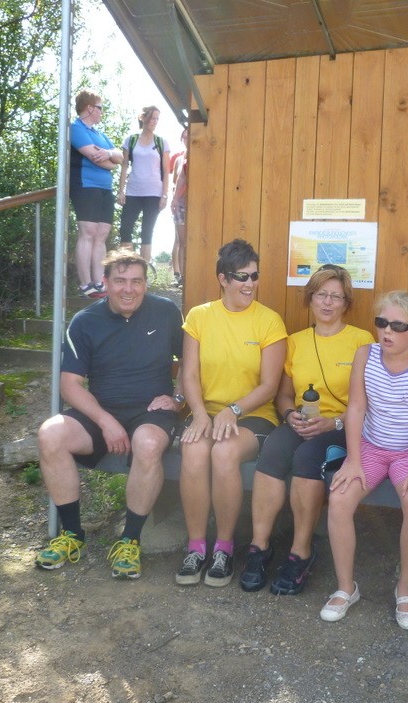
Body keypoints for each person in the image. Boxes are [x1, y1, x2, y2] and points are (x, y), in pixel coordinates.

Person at [34, 247, 185, 578]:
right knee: (50, 434)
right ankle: (71, 534)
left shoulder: (165, 312)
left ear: (146, 283)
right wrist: (105, 421)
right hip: (101, 411)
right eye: (120, 281)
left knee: (148, 445)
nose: (128, 289)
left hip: (151, 412)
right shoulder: (85, 321)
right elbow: (70, 385)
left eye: (136, 281)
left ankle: (130, 541)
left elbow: (191, 360)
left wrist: (178, 398)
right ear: (105, 282)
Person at [240, 265, 373, 595]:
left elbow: (369, 399)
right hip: (302, 421)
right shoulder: (296, 341)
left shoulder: (362, 341)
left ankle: (300, 552)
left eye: (336, 296)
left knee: (308, 456)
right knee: (273, 450)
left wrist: (334, 421)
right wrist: (289, 415)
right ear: (310, 299)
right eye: (321, 295)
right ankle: (259, 547)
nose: (327, 302)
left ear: (346, 303)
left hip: (343, 427)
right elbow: (285, 394)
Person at [320, 291, 408, 630]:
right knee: (339, 499)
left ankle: (405, 590)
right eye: (381, 323)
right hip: (371, 447)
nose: (387, 331)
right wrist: (353, 459)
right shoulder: (366, 354)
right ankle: (346, 588)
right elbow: (356, 409)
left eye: (397, 326)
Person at [176, 239, 287, 587]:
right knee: (194, 452)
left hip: (254, 414)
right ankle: (196, 547)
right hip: (206, 411)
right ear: (223, 279)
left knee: (224, 453)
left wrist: (234, 410)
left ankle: (224, 547)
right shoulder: (199, 316)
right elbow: (189, 374)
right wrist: (199, 413)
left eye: (254, 276)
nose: (250, 284)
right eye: (242, 277)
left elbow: (269, 385)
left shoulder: (269, 321)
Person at [69, 89, 123, 299]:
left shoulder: (100, 135)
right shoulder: (75, 128)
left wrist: (108, 154)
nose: (102, 111)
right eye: (100, 107)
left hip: (105, 189)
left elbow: (120, 157)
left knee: (101, 234)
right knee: (88, 232)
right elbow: (93, 156)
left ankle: (99, 282)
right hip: (85, 185)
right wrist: (110, 161)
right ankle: (85, 284)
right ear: (89, 108)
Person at [116, 106, 170, 263]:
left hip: (154, 193)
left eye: (157, 119)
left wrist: (165, 195)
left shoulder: (161, 142)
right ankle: (127, 266)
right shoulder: (131, 140)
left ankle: (143, 271)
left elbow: (166, 171)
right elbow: (124, 166)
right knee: (125, 229)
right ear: (144, 118)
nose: (154, 122)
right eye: (152, 118)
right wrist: (121, 191)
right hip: (133, 191)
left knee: (147, 232)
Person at [169, 127, 188, 287]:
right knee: (182, 241)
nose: (187, 139)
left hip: (197, 202)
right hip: (181, 202)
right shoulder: (179, 159)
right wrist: (174, 199)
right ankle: (182, 276)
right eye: (184, 137)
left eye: (189, 136)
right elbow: (177, 179)